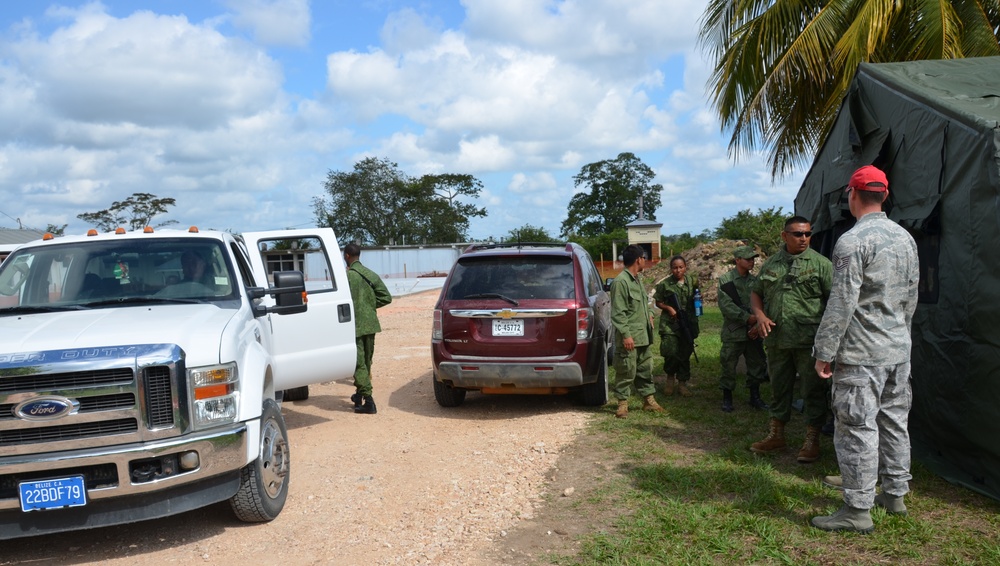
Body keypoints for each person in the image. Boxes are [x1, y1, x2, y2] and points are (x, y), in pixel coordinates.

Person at [810, 165, 919, 533]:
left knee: (856, 427)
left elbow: (841, 302)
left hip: (861, 355)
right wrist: (900, 337)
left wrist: (824, 350)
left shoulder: (853, 242)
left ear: (852, 195)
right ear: (884, 195)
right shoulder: (906, 239)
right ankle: (895, 494)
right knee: (894, 422)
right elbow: (911, 297)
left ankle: (857, 510)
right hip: (898, 351)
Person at [749, 216, 832, 463]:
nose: (803, 238)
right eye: (797, 234)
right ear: (784, 236)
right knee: (779, 388)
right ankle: (777, 435)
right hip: (777, 340)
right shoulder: (771, 264)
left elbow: (835, 302)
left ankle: (812, 440)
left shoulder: (821, 265)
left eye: (807, 234)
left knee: (812, 390)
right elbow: (756, 292)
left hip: (809, 342)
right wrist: (760, 315)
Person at [610, 244, 662, 418]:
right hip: (630, 336)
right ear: (638, 259)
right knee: (626, 370)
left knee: (645, 369)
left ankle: (649, 400)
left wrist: (650, 315)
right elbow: (618, 312)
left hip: (643, 335)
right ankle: (622, 404)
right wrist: (626, 335)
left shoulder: (637, 279)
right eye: (643, 257)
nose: (645, 261)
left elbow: (643, 304)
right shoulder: (621, 282)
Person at [716, 245, 769, 412]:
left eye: (753, 258)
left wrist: (756, 322)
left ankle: (755, 396)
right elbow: (726, 306)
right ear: (737, 260)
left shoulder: (756, 282)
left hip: (754, 331)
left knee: (756, 364)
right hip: (734, 331)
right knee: (728, 363)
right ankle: (727, 397)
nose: (751, 261)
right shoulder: (726, 281)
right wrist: (747, 318)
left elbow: (764, 302)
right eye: (748, 259)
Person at [344, 243, 393, 414]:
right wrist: (370, 307)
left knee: (358, 363)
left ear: (347, 256)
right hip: (370, 324)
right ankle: (359, 395)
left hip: (354, 326)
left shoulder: (348, 277)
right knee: (366, 362)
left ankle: (369, 401)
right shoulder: (369, 274)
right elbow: (386, 297)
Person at [654, 255, 699, 397]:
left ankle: (682, 384)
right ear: (671, 269)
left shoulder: (692, 281)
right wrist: (669, 308)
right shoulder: (665, 284)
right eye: (675, 267)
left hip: (688, 322)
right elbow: (658, 302)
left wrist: (699, 300)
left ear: (685, 267)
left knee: (685, 352)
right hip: (671, 323)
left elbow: (697, 296)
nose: (678, 270)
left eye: (681, 267)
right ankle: (669, 379)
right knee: (671, 352)